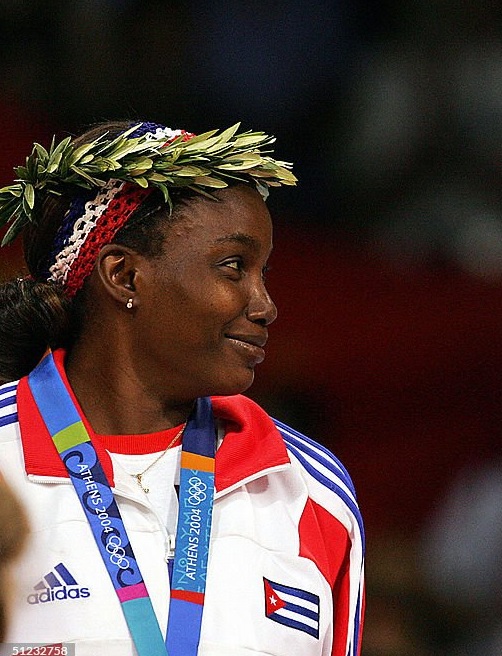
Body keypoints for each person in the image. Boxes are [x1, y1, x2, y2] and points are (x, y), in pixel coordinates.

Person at [0, 120, 364, 656]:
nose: (265, 306)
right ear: (123, 276)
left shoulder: (311, 491)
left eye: (263, 272)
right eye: (234, 267)